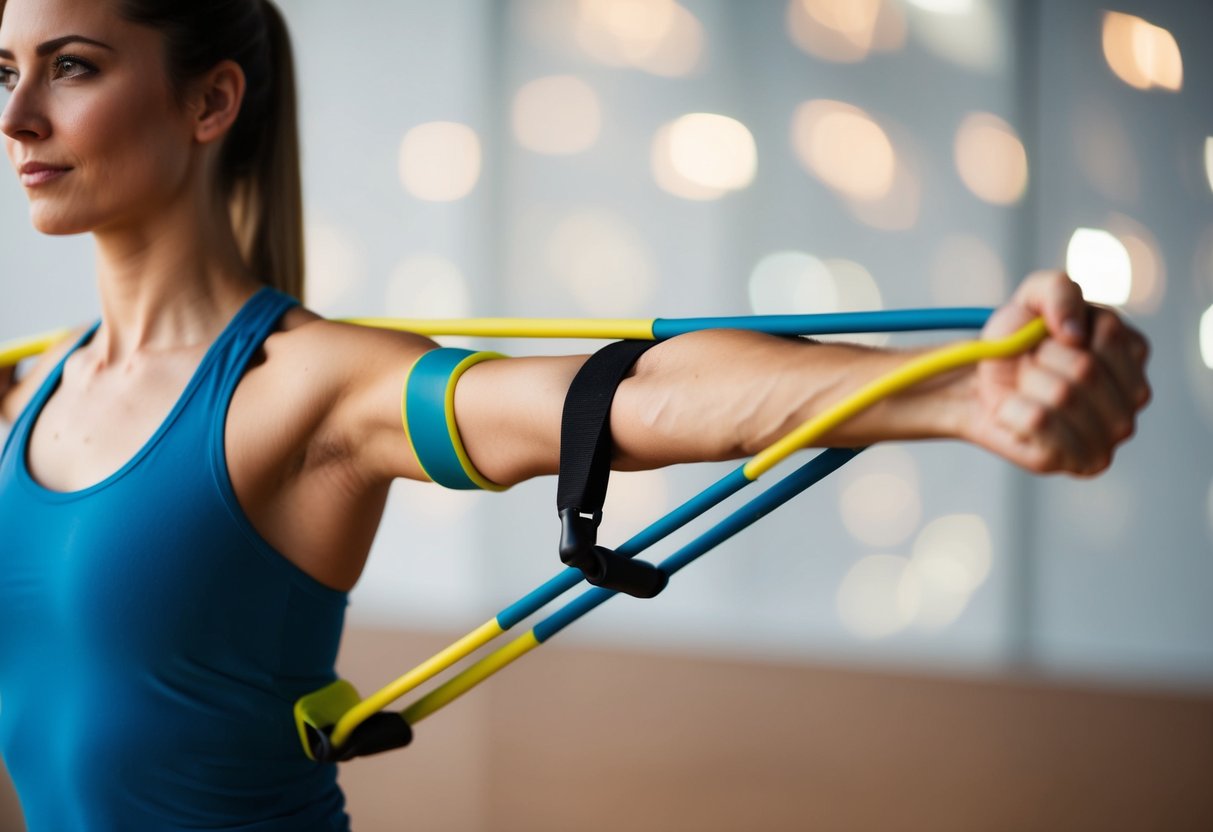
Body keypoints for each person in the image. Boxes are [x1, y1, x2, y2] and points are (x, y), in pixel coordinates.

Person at [0, 0, 1150, 828]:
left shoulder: (301, 390)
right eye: (6, 72)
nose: (19, 119)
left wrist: (959, 389)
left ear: (211, 100)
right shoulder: (22, 394)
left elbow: (624, 395)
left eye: (74, 67)